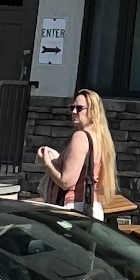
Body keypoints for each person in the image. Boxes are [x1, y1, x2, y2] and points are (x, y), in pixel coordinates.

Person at [36, 88, 118, 216]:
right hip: (93, 207)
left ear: (92, 111)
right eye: (72, 107)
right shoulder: (102, 138)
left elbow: (66, 182)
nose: (74, 111)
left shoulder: (80, 137)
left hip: (74, 209)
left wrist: (48, 162)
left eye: (79, 108)